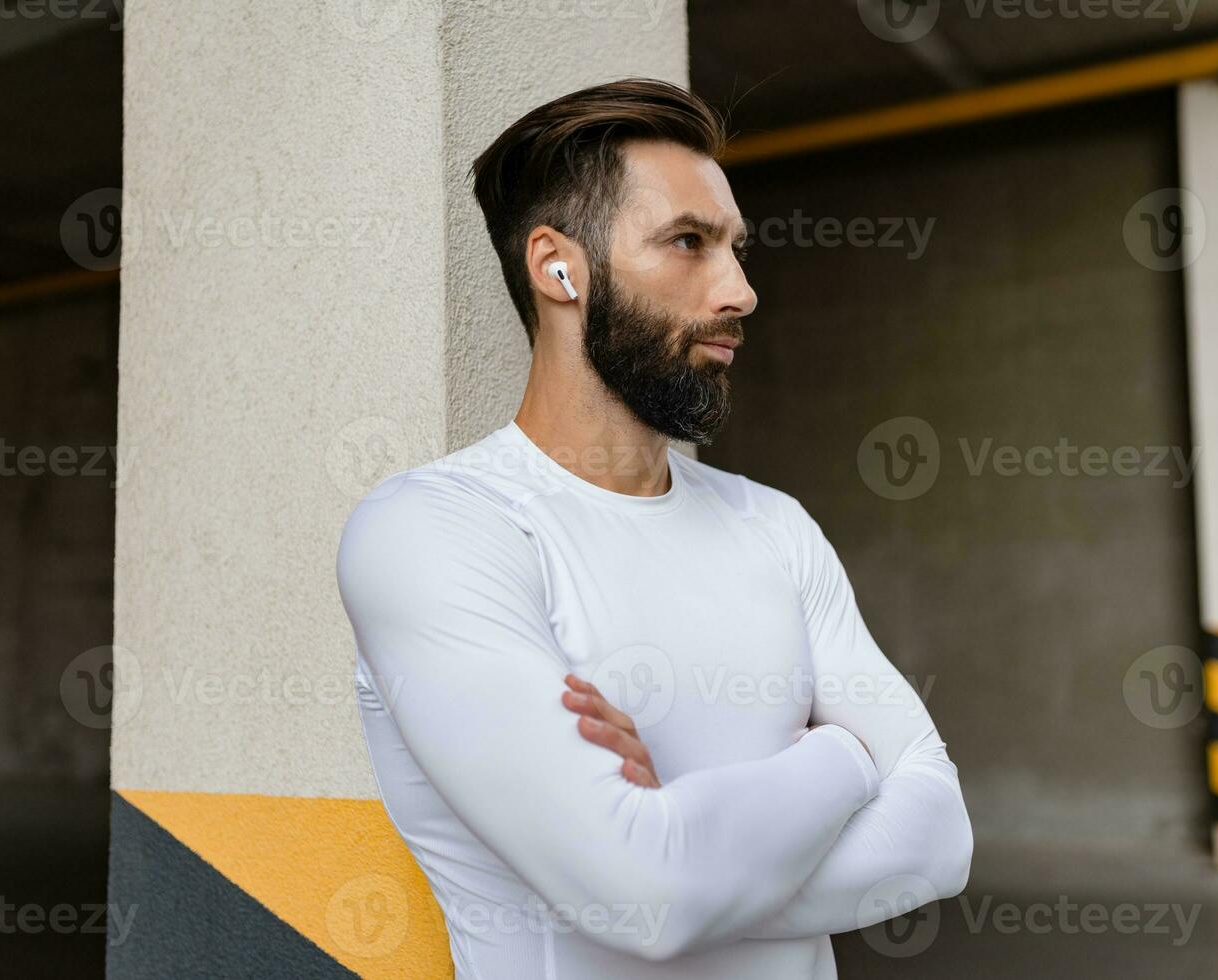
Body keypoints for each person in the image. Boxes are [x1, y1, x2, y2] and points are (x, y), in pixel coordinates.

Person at [335, 77, 972, 979]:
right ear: (559, 268)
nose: (741, 292)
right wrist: (843, 759)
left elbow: (938, 842)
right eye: (688, 243)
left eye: (736, 251)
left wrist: (683, 837)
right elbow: (645, 900)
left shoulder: (775, 526)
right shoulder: (438, 531)